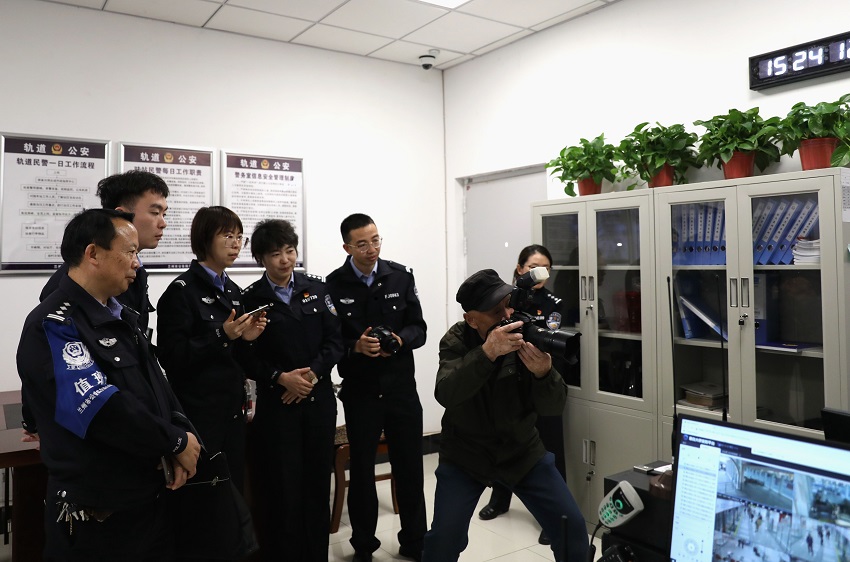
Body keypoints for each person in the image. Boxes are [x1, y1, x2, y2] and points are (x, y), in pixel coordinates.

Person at [17, 208, 200, 561]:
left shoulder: (121, 316)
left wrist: (181, 432)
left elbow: (158, 385)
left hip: (148, 502)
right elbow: (101, 409)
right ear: (93, 254)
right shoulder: (54, 324)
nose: (137, 264)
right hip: (97, 514)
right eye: (130, 252)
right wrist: (173, 441)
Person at [422, 269, 588, 562]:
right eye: (495, 312)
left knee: (572, 530)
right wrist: (487, 353)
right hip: (465, 454)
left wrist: (544, 373)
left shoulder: (525, 332)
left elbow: (552, 408)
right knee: (443, 540)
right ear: (471, 320)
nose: (507, 315)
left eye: (508, 305)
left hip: (521, 449)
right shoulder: (456, 339)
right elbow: (446, 392)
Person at [240, 219, 343, 561]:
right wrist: (281, 378)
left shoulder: (318, 289)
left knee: (317, 485)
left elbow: (335, 342)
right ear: (261, 259)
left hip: (318, 401)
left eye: (290, 251)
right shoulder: (251, 299)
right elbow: (245, 357)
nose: (285, 259)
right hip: (278, 405)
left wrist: (310, 376)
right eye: (275, 254)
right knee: (283, 488)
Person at [325, 213, 427, 562]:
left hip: (401, 390)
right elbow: (330, 340)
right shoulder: (333, 285)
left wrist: (400, 339)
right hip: (361, 392)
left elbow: (419, 328)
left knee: (410, 469)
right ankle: (363, 546)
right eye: (362, 244)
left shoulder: (400, 275)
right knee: (362, 472)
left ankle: (415, 542)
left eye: (376, 240)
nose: (372, 249)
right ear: (347, 247)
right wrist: (355, 346)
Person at [156, 206, 266, 493]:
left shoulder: (233, 290)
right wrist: (222, 335)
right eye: (228, 236)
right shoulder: (181, 291)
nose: (236, 244)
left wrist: (248, 338)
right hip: (199, 415)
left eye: (240, 237)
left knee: (234, 491)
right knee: (205, 495)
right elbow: (171, 357)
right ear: (205, 238)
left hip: (233, 412)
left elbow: (238, 358)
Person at [478, 244, 569, 546]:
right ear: (520, 269)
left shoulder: (554, 302)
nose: (539, 272)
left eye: (545, 267)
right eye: (533, 267)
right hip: (509, 379)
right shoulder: (506, 300)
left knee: (551, 447)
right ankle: (500, 497)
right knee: (506, 440)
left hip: (540, 379)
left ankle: (553, 517)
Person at [40, 170, 169, 335]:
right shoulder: (76, 278)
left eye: (164, 214)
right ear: (122, 214)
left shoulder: (135, 269)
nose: (163, 223)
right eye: (155, 213)